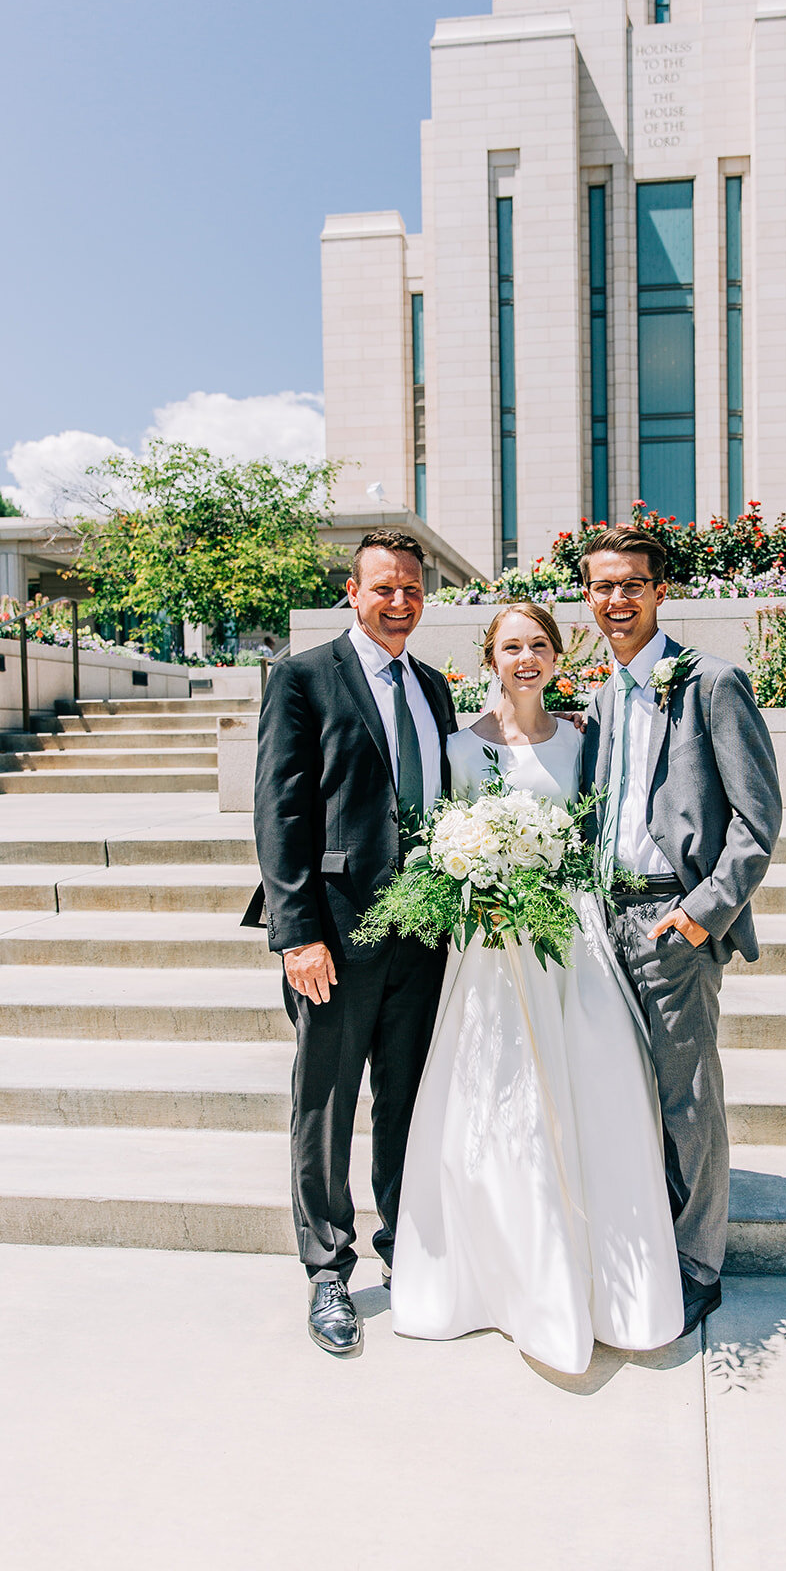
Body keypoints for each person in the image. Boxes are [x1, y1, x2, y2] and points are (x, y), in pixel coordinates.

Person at [390, 602, 684, 1375]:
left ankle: (606, 1275)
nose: (526, 657)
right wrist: (469, 876)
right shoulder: (458, 747)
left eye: (538, 645)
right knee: (493, 1098)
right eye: (511, 645)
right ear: (490, 657)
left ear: (557, 655)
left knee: (596, 1089)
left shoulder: (582, 741)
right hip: (488, 939)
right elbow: (436, 836)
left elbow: (591, 832)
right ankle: (502, 1274)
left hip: (569, 935)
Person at [248, 529, 457, 1356]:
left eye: (410, 588)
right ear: (352, 591)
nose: (398, 601)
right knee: (326, 1104)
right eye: (383, 588)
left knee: (409, 1104)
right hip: (334, 934)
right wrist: (296, 935)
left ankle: (404, 1249)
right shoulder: (304, 677)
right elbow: (281, 811)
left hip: (423, 935)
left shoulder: (434, 687)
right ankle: (326, 1267)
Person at [579, 524, 782, 1338]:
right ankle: (645, 1238)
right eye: (601, 586)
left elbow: (756, 821)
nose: (616, 599)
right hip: (601, 918)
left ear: (660, 591)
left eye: (631, 583)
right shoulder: (597, 699)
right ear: (587, 597)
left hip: (674, 919)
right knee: (624, 1094)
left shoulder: (712, 683)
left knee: (686, 1095)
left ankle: (697, 1262)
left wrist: (700, 917)